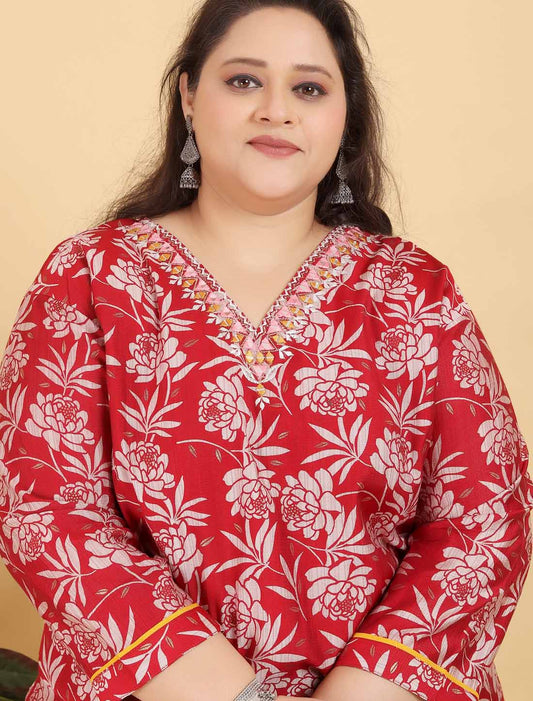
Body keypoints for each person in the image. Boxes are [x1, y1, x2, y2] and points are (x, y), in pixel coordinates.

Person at [0, 1, 532, 700]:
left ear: (344, 115)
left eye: (308, 87)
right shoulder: (94, 277)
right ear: (189, 96)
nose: (276, 110)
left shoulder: (414, 290)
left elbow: (485, 518)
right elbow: (44, 507)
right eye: (244, 80)